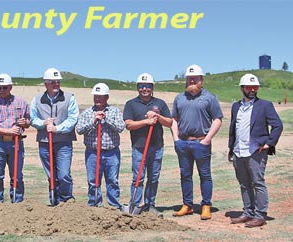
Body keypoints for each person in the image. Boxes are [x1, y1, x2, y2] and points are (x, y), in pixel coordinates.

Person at [228, 73, 283, 228]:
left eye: (255, 87)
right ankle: (248, 212)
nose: (252, 90)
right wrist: (231, 148)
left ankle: (260, 215)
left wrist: (269, 143)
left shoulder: (265, 105)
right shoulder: (236, 106)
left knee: (258, 183)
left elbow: (278, 125)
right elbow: (234, 128)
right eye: (249, 87)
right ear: (242, 88)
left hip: (256, 152)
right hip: (239, 151)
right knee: (244, 183)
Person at [171, 64, 223, 220]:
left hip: (201, 142)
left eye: (195, 78)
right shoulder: (179, 98)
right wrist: (176, 138)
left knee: (204, 175)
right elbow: (174, 119)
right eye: (189, 78)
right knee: (185, 175)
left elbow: (217, 119)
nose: (192, 80)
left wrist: (207, 139)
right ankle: (187, 205)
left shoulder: (209, 97)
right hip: (183, 143)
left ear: (201, 79)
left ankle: (206, 205)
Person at [123, 73, 172, 215]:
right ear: (138, 88)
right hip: (139, 147)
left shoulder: (160, 103)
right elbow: (128, 124)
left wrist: (157, 116)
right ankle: (135, 205)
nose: (145, 89)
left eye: (148, 86)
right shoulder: (131, 104)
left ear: (152, 87)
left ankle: (150, 204)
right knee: (137, 177)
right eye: (142, 86)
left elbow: (169, 123)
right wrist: (146, 122)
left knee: (154, 177)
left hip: (156, 147)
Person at [30, 67, 79, 206]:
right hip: (45, 143)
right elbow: (33, 119)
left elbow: (72, 119)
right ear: (46, 83)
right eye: (52, 82)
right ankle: (55, 201)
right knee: (52, 175)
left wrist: (57, 128)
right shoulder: (37, 100)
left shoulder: (70, 98)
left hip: (64, 142)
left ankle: (66, 200)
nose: (56, 84)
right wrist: (43, 123)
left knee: (63, 175)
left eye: (58, 81)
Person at [76, 83, 125, 208]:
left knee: (112, 181)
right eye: (95, 96)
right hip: (92, 153)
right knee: (93, 181)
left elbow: (120, 127)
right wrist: (93, 121)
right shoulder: (87, 113)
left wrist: (106, 119)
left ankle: (114, 207)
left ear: (107, 97)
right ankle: (94, 206)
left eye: (100, 96)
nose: (97, 99)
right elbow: (79, 129)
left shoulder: (114, 111)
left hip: (111, 153)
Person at [0, 73, 31, 203]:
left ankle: (17, 202)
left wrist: (24, 123)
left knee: (17, 176)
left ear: (10, 87)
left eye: (4, 87)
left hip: (16, 143)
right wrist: (7, 131)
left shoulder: (21, 102)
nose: (1, 90)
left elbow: (28, 122)